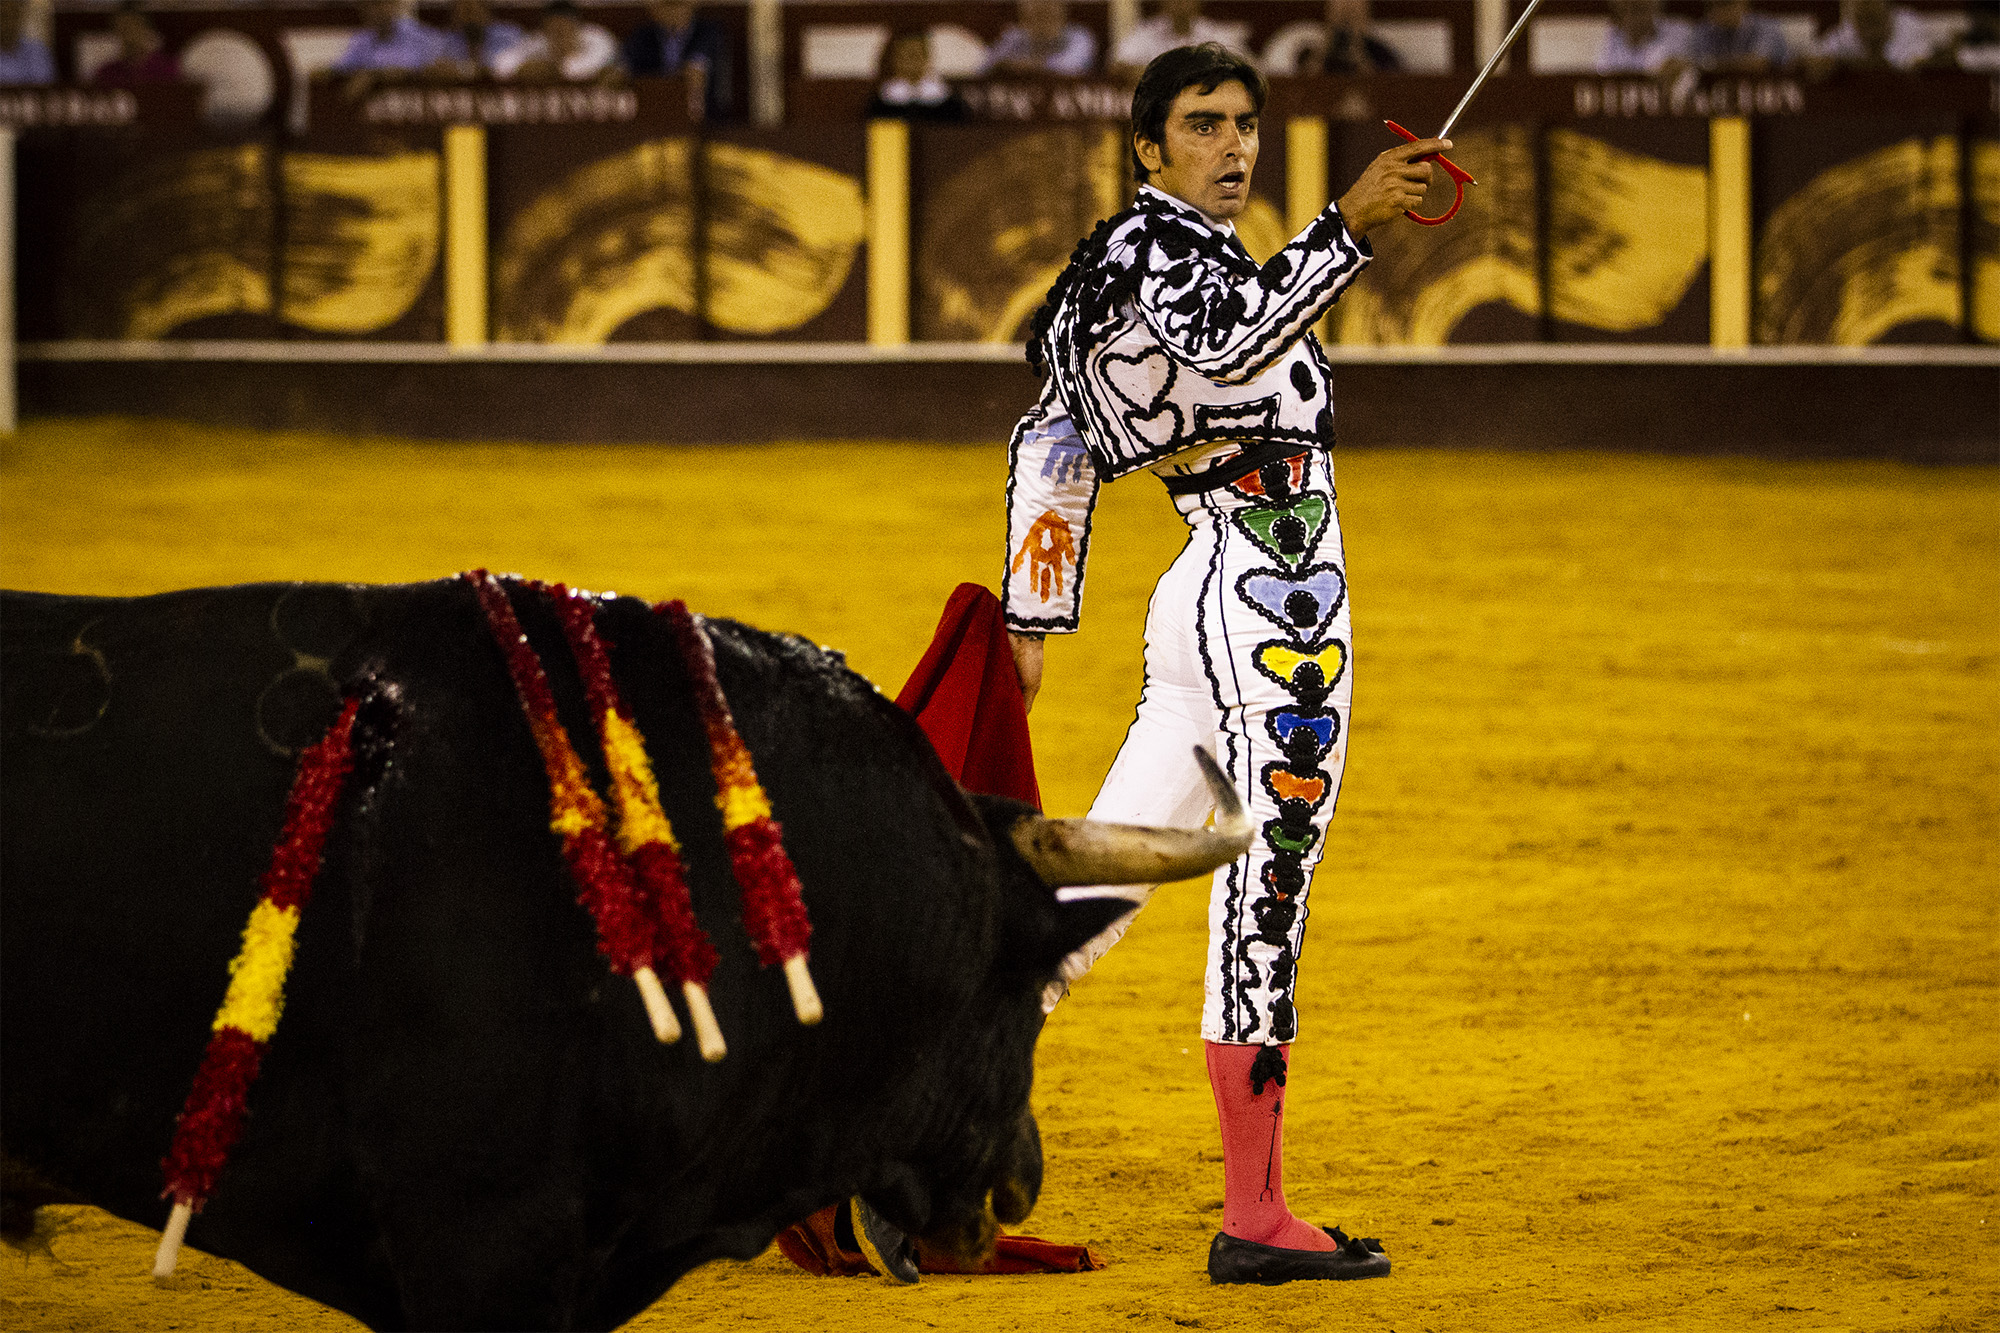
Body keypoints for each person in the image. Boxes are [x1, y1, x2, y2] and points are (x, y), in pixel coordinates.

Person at [1002, 42, 1444, 1285]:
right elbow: (1226, 349)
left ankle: (889, 1121)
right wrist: (1343, 227)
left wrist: (1033, 624)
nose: (1233, 146)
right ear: (1148, 149)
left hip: (1212, 587)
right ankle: (1253, 1211)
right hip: (1272, 593)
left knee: (1094, 883)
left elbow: (1055, 435)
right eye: (1202, 125)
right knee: (1269, 874)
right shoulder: (1162, 259)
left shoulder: (1115, 268)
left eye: (1244, 123)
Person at [622, 0, 732, 118]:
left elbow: (695, 73)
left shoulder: (708, 31)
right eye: (667, 6)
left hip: (705, 116)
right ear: (654, 10)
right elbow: (628, 72)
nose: (673, 12)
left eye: (678, 5)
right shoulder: (642, 35)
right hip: (651, 110)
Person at [491, 0, 620, 83]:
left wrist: (550, 67)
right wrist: (521, 68)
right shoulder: (539, 40)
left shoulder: (598, 38)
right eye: (552, 27)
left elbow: (577, 71)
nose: (559, 32)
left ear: (576, 25)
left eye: (564, 27)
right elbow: (500, 64)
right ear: (544, 28)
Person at [1111, 0, 1243, 80]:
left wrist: (1159, 74)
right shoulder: (1144, 33)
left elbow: (1237, 70)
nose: (1180, 2)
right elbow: (1118, 65)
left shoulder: (1217, 34)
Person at [329, 0, 452, 78]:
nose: (379, 10)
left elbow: (433, 69)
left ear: (395, 5)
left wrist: (375, 76)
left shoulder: (420, 35)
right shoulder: (362, 40)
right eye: (371, 5)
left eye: (383, 3)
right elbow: (340, 70)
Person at [868, 27, 967, 121]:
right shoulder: (881, 102)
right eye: (904, 55)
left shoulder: (949, 102)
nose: (911, 61)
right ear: (895, 59)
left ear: (927, 58)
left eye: (916, 55)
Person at [1808, 0, 1937, 69]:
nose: (1869, 28)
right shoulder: (1844, 34)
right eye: (1861, 19)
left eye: (1873, 18)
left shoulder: (1910, 25)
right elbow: (1817, 59)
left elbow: (1924, 62)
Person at [984, 0, 1098, 77]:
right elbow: (985, 66)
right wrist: (1003, 65)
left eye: (1048, 15)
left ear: (1062, 12)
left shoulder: (1080, 36)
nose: (1043, 22)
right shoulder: (1014, 36)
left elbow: (1070, 66)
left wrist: (1031, 66)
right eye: (1036, 16)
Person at [90, 1, 181, 85]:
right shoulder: (108, 73)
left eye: (132, 27)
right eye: (122, 28)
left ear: (145, 27)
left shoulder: (166, 68)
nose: (128, 34)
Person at [1302, 0, 1402, 75]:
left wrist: (1360, 54)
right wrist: (1321, 55)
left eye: (1354, 13)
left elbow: (1391, 86)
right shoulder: (1313, 55)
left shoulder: (1382, 55)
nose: (1346, 22)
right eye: (1340, 13)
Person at [1596, 0, 1695, 75]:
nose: (1630, 16)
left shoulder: (1678, 33)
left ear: (1655, 7)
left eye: (1638, 9)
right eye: (1624, 10)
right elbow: (1603, 75)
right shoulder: (1614, 35)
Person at [1688, 0, 1791, 71]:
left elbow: (1756, 65)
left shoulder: (1766, 26)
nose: (1721, 10)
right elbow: (1694, 65)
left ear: (1744, 4)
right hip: (1725, 92)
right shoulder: (1703, 30)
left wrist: (1714, 64)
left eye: (1727, 3)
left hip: (1773, 90)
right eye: (1714, 5)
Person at [435, 0, 527, 79]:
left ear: (485, 9)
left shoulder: (508, 35)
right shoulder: (448, 40)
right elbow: (444, 68)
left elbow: (510, 66)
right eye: (463, 10)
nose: (469, 17)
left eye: (471, 9)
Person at [0, 0, 55, 86]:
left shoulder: (38, 51)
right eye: (4, 16)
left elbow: (46, 88)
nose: (8, 22)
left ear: (20, 17)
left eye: (13, 15)